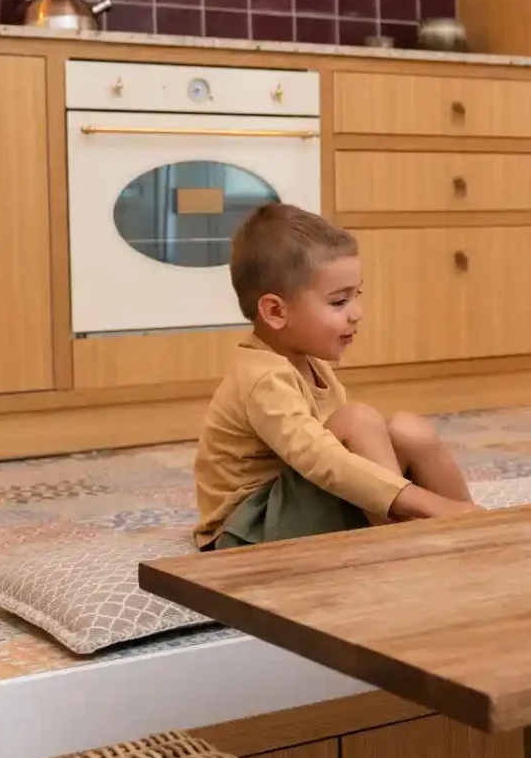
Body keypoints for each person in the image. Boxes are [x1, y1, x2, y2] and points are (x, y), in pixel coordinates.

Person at [194, 202, 477, 550]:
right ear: (276, 312)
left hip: (293, 507)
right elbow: (323, 460)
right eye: (338, 302)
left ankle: (477, 527)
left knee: (408, 430)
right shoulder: (262, 378)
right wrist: (431, 505)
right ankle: (406, 545)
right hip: (248, 529)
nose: (357, 313)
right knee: (357, 419)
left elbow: (346, 456)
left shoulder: (309, 362)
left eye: (355, 296)